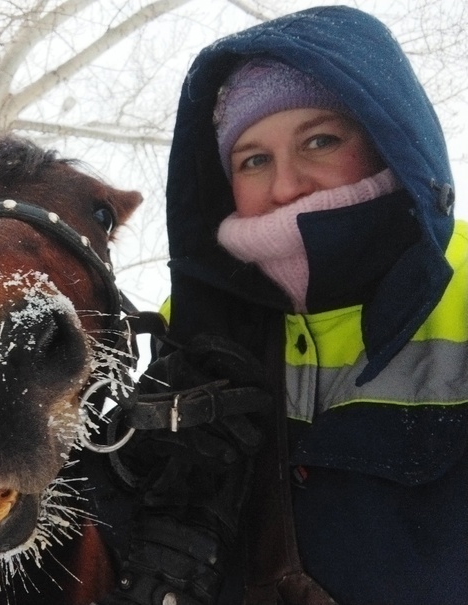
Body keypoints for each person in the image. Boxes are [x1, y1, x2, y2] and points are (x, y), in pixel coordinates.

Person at [90, 5, 468, 605]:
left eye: (321, 140)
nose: (286, 186)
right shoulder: (193, 319)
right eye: (253, 160)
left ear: (388, 139)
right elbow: (124, 519)